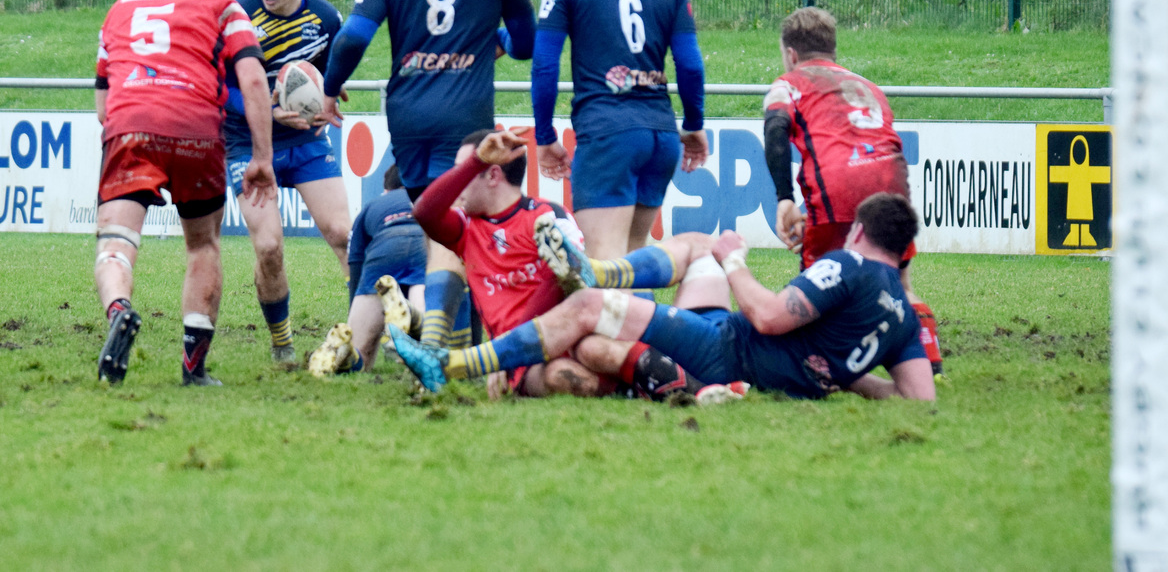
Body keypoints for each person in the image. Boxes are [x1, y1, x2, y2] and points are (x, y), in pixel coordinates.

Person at [392, 191, 937, 403]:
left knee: (588, 309)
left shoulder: (848, 263)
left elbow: (769, 317)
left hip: (727, 350)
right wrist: (834, 375)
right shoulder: (906, 320)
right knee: (695, 247)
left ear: (858, 232)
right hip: (751, 357)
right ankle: (595, 270)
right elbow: (919, 399)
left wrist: (736, 261)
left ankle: (452, 364)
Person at [321, 0, 536, 352]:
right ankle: (442, 342)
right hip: (465, 119)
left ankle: (438, 337)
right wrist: (492, 40)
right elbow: (526, 43)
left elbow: (353, 37)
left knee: (440, 229)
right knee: (462, 234)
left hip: (409, 120)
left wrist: (330, 89)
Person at [390, 128, 716, 398]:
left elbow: (572, 286)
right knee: (561, 375)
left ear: (493, 175)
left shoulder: (547, 217)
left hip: (567, 336)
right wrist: (475, 161)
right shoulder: (465, 228)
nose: (455, 183)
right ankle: (638, 391)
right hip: (522, 360)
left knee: (597, 350)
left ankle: (698, 390)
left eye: (464, 172)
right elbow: (424, 212)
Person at [92, 0, 278, 387]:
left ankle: (118, 310)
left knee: (115, 243)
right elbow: (254, 80)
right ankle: (193, 368)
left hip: (131, 125)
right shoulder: (222, 4)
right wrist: (262, 156)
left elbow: (102, 105)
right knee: (202, 245)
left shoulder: (118, 10)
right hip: (196, 128)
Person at [532, 0, 708, 259]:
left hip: (607, 132)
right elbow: (690, 65)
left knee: (604, 266)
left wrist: (544, 136)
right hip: (660, 134)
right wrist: (694, 124)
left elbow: (544, 64)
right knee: (633, 259)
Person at [764, 7, 944, 374]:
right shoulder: (867, 86)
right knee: (899, 281)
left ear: (791, 54)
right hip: (891, 179)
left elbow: (775, 129)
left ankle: (813, 367)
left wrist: (784, 198)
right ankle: (930, 366)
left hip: (838, 186)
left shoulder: (788, 83)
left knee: (817, 287)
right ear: (832, 50)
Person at [223, 0, 352, 363]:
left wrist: (329, 91)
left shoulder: (326, 18)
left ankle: (371, 332)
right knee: (268, 247)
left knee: (344, 234)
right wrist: (265, 110)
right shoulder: (238, 14)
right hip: (248, 142)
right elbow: (220, 87)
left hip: (306, 139)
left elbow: (330, 70)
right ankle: (282, 343)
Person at [308, 164, 426, 376]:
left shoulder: (372, 206)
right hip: (423, 244)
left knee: (361, 359)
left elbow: (355, 267)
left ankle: (345, 352)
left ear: (386, 190)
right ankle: (410, 315)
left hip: (383, 250)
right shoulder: (429, 199)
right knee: (430, 342)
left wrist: (354, 322)